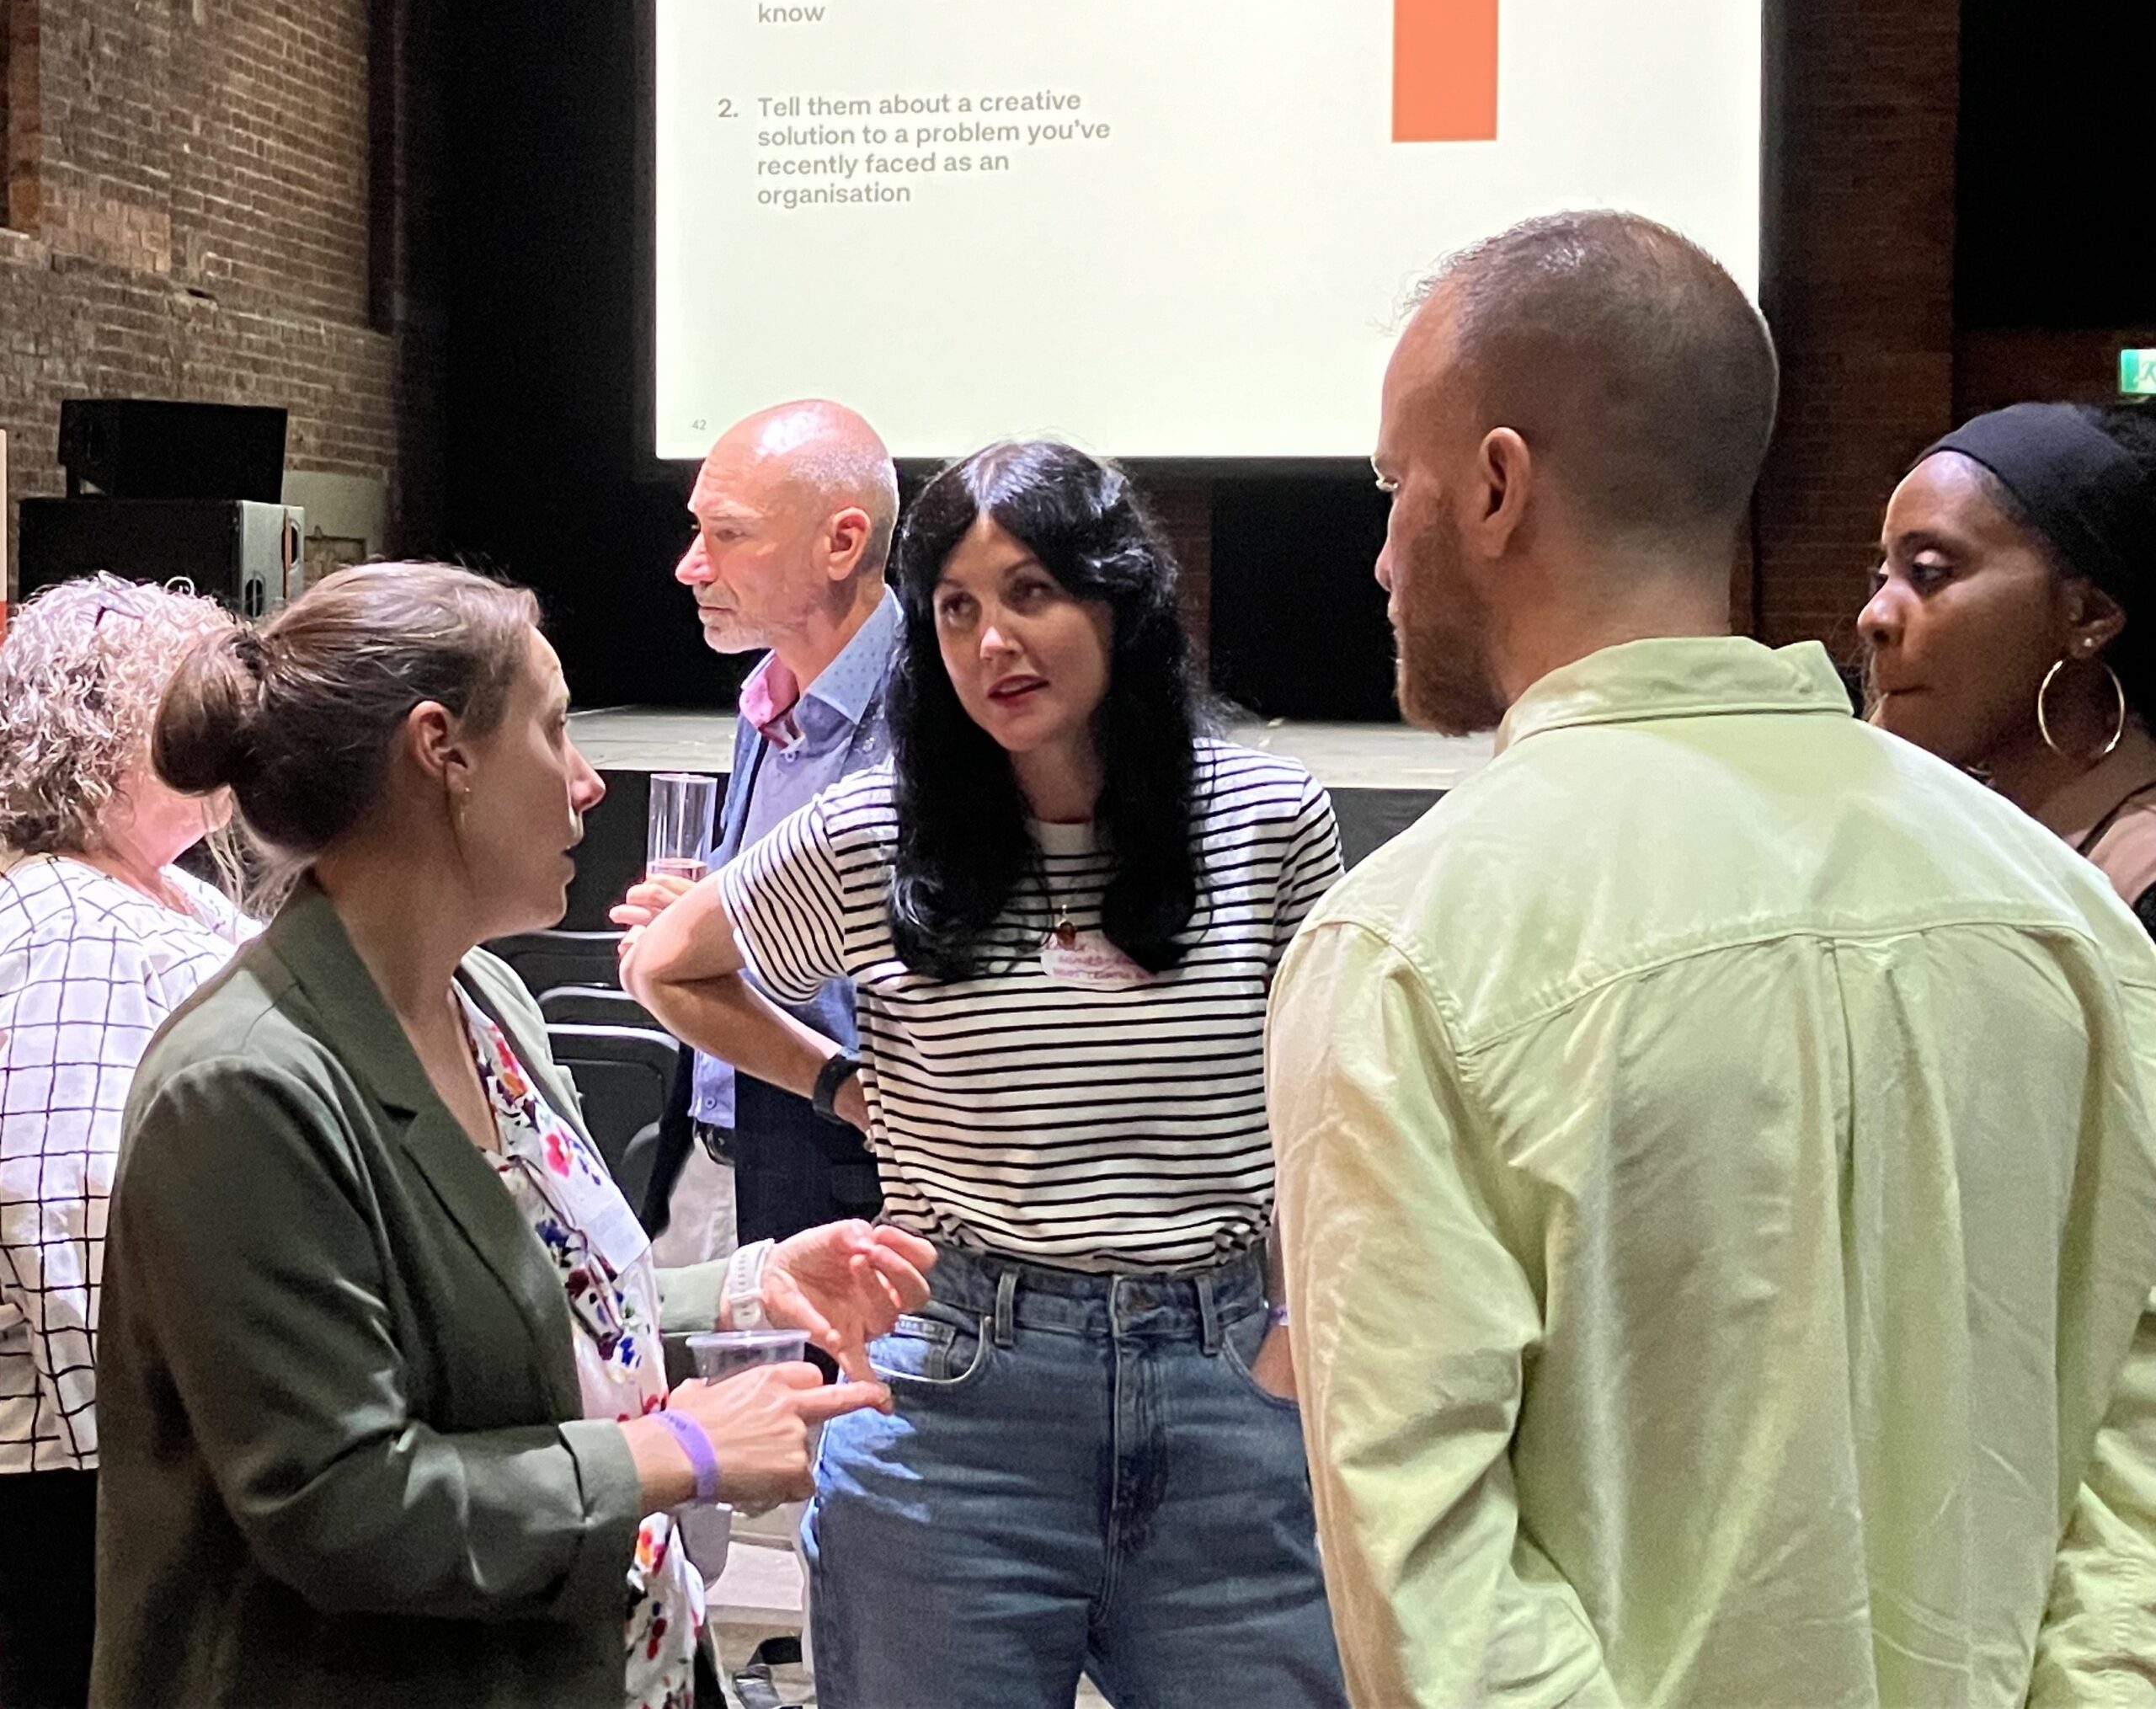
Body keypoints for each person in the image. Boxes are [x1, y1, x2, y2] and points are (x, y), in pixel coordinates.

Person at [1265, 211, 2156, 1706]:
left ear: (1496, 486)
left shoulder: (1411, 945)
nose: (1378, 553)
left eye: (1391, 485)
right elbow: (2134, 1449)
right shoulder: (2066, 917)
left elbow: (1436, 1594)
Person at [91, 562, 931, 1709]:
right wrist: (678, 1451)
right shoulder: (243, 1085)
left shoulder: (485, 998)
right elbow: (341, 1504)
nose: (588, 780)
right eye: (553, 728)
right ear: (443, 751)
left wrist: (749, 1284)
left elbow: (534, 1308)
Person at [622, 441, 1350, 1709]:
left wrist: (1294, 1330)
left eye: (1030, 592)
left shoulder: (1266, 816)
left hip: (1224, 1390)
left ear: (1116, 598)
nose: (991, 641)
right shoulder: (880, 827)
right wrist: (840, 1083)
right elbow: (667, 964)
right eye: (955, 607)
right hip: (957, 1399)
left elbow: (1326, 1103)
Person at [0, 576, 258, 1709]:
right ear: (101, 728)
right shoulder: (80, 927)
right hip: (76, 1495)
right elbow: (66, 1224)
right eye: (199, 698)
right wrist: (155, 1481)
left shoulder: (162, 897)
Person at [637, 400, 899, 1268]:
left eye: (729, 534)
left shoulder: (936, 722)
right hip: (721, 1146)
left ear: (841, 543)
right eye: (696, 530)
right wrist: (696, 923)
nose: (690, 565)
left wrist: (719, 939)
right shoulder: (766, 701)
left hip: (858, 1175)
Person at [1862, 398, 2156, 935]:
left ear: (2088, 614)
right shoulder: (1976, 831)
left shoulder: (2141, 882)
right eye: (1882, 579)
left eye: (1927, 572)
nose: (1873, 617)